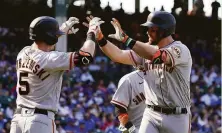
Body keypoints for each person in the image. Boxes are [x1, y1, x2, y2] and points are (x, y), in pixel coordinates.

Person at [88, 11, 192, 133]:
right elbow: (118, 55)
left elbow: (157, 55)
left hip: (177, 116)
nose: (147, 32)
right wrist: (100, 38)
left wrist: (126, 40)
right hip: (151, 114)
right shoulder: (145, 51)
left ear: (165, 31)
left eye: (152, 29)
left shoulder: (180, 49)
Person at [10, 16, 103, 133]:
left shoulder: (23, 52)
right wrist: (92, 31)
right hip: (39, 121)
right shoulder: (50, 59)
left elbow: (42, 40)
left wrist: (62, 30)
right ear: (50, 37)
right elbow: (85, 56)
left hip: (17, 120)